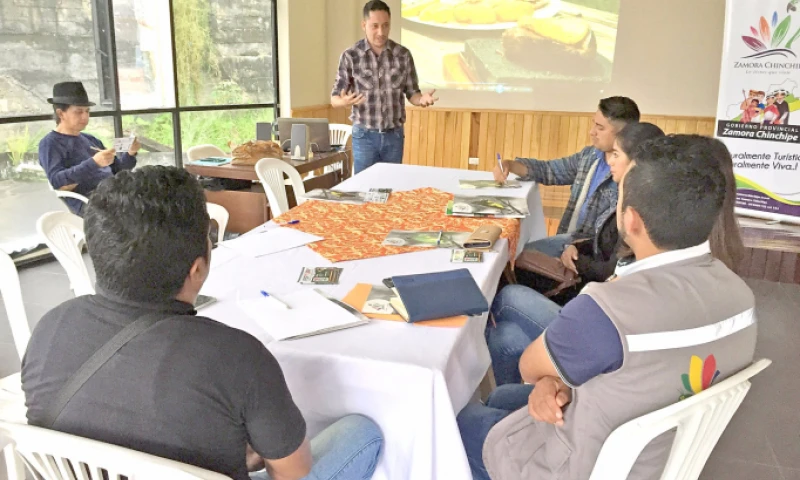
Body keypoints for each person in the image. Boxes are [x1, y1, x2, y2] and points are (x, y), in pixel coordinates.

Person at [21, 166, 383, 480]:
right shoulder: (237, 355)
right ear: (197, 268)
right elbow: (293, 472)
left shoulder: (50, 327)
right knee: (363, 432)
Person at [460, 136, 758, 480]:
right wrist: (555, 383)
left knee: (459, 424)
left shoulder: (607, 308)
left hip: (588, 465)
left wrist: (552, 380)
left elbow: (530, 366)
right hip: (662, 459)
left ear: (631, 220)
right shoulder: (742, 298)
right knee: (503, 398)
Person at [493, 122, 665, 386]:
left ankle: (540, 382)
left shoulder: (638, 214)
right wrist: (577, 247)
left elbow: (612, 270)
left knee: (507, 295)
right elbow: (602, 240)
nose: (610, 161)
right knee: (504, 335)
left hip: (593, 314)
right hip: (585, 285)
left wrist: (578, 260)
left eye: (616, 154)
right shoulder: (611, 178)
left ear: (636, 163)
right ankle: (522, 393)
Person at [494, 96, 640, 257]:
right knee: (511, 250)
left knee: (515, 254)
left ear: (624, 134)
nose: (592, 132)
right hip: (570, 241)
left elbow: (610, 237)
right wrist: (511, 165)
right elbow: (550, 170)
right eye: (593, 124)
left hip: (589, 251)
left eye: (600, 128)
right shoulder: (590, 156)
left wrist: (576, 247)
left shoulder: (631, 174)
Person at [330, 0, 438, 174]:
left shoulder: (403, 55)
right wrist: (343, 102)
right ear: (364, 25)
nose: (381, 32)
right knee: (363, 185)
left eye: (385, 25)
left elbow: (412, 93)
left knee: (391, 185)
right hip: (364, 136)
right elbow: (334, 98)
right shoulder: (350, 56)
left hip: (394, 136)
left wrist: (421, 99)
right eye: (375, 26)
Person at [38, 81, 141, 216]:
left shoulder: (90, 139)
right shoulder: (50, 143)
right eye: (79, 112)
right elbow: (57, 182)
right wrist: (94, 163)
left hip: (115, 195)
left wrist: (131, 153)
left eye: (87, 111)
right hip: (93, 205)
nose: (85, 117)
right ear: (61, 114)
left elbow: (118, 171)